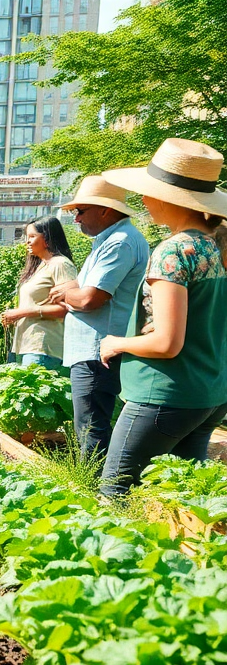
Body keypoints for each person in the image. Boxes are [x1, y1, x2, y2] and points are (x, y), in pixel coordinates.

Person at [97, 138, 227, 495]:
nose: (143, 200)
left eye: (149, 192)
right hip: (210, 393)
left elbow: (168, 343)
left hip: (165, 393)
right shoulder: (214, 246)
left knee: (115, 491)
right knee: (182, 500)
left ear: (171, 198)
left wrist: (116, 343)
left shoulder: (173, 251)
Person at [47, 176, 150, 458]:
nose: (76, 219)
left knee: (91, 428)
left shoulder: (119, 243)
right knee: (91, 425)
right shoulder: (111, 240)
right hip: (95, 349)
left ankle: (96, 493)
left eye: (80, 211)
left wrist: (67, 294)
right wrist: (73, 292)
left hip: (97, 350)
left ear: (105, 210)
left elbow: (89, 299)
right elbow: (82, 292)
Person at [1, 216, 78, 370]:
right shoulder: (41, 266)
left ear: (47, 239)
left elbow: (68, 308)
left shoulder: (60, 264)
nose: (27, 241)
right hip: (27, 344)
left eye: (32, 236)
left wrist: (22, 312)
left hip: (43, 346)